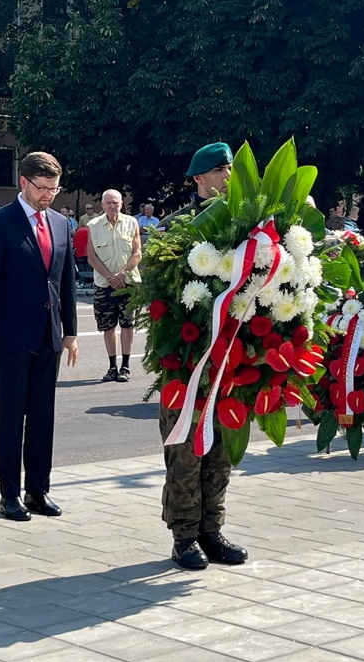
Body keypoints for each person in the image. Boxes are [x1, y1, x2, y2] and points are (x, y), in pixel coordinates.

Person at [0, 151, 78, 522]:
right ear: (24, 183)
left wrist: (71, 332)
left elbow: (65, 283)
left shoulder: (61, 224)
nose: (48, 195)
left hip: (49, 337)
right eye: (42, 188)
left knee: (44, 416)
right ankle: (9, 495)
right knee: (12, 418)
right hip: (10, 338)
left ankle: (38, 491)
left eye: (54, 188)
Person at [157, 141, 247, 570]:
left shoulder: (248, 229)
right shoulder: (178, 228)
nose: (229, 177)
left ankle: (212, 530)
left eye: (230, 169)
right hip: (187, 360)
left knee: (220, 451)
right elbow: (161, 293)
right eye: (221, 171)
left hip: (232, 359)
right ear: (199, 179)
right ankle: (184, 537)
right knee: (186, 450)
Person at [87, 189, 142, 383]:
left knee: (127, 325)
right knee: (108, 327)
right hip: (104, 285)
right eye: (109, 202)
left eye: (116, 202)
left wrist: (122, 275)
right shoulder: (93, 225)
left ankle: (125, 366)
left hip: (128, 283)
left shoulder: (131, 222)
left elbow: (137, 252)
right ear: (102, 205)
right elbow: (91, 256)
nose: (112, 206)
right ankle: (112, 367)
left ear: (121, 203)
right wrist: (111, 277)